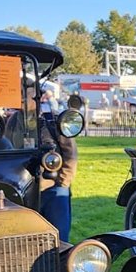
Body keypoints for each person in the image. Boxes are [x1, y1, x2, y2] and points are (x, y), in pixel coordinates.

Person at [37, 93, 81, 241]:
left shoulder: (52, 121)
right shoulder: (14, 123)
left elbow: (70, 153)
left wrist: (63, 182)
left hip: (53, 187)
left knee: (59, 237)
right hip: (25, 188)